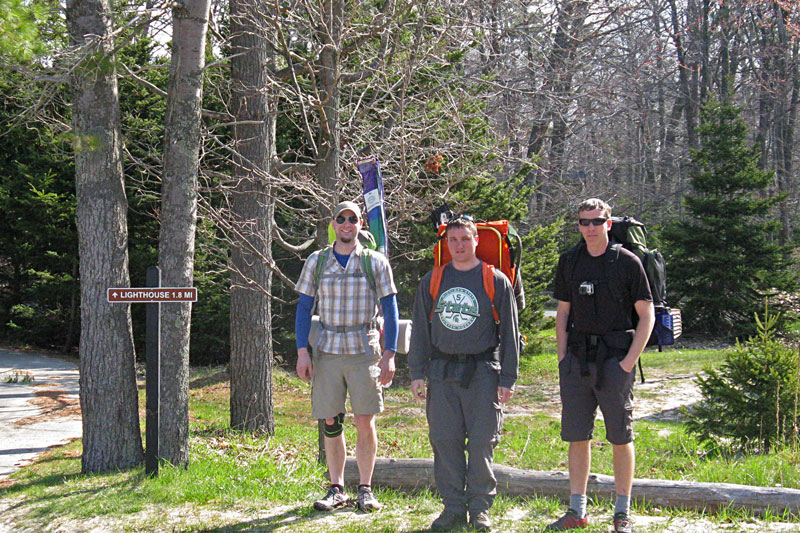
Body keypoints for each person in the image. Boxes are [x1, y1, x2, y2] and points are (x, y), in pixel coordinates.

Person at [547, 199, 654, 533]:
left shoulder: (627, 263)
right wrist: (563, 357)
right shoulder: (570, 262)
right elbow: (563, 313)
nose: (590, 228)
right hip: (577, 360)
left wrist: (628, 362)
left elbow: (647, 314)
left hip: (614, 359)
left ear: (609, 223)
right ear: (578, 225)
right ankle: (577, 510)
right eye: (584, 222)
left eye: (596, 221)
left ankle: (622, 513)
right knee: (577, 436)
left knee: (620, 437)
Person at [408, 215, 519, 532]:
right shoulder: (433, 279)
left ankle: (480, 510)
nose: (459, 246)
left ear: (476, 241)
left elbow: (510, 333)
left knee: (483, 442)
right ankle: (453, 508)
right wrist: (417, 372)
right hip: (442, 374)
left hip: (483, 372)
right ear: (446, 244)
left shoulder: (495, 280)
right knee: (445, 441)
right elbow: (420, 332)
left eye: (465, 239)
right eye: (452, 240)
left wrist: (508, 377)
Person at [294, 200, 399, 513]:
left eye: (352, 219)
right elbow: (303, 308)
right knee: (330, 420)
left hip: (364, 350)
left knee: (365, 420)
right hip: (327, 350)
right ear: (334, 224)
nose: (347, 224)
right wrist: (302, 351)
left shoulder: (374, 262)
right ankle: (336, 488)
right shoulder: (317, 261)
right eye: (341, 219)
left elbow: (391, 310)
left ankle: (365, 489)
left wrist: (389, 354)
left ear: (360, 224)